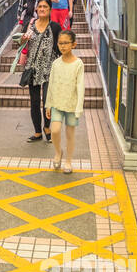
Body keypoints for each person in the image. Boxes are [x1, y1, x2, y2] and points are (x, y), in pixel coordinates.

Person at [18, 0, 62, 144]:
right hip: (33, 68)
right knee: (35, 102)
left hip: (50, 69)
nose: (42, 9)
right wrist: (23, 39)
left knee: (48, 102)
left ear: (50, 9)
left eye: (45, 7)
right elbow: (22, 43)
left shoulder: (55, 27)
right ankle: (37, 132)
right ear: (36, 9)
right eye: (40, 6)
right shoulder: (30, 25)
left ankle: (47, 128)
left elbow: (61, 46)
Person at [46, 29, 84, 173]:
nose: (62, 46)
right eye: (60, 43)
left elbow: (80, 86)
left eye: (66, 43)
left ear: (73, 44)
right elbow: (51, 83)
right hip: (56, 102)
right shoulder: (56, 63)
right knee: (54, 130)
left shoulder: (78, 64)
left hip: (72, 104)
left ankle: (68, 161)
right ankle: (58, 152)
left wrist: (79, 107)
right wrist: (48, 105)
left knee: (70, 134)